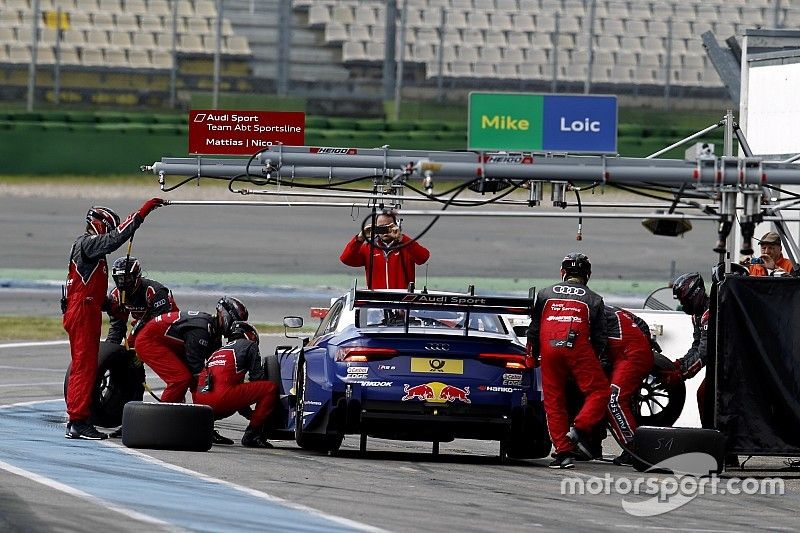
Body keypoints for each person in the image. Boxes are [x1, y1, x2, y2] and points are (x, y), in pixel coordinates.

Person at [63, 199, 164, 440]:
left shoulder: (91, 255)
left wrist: (111, 306)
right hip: (83, 311)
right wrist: (141, 214)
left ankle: (78, 419)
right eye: (108, 227)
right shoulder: (86, 244)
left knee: (85, 365)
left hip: (86, 309)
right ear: (99, 225)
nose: (109, 232)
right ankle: (78, 421)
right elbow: (114, 239)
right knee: (85, 367)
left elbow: (89, 290)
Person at [527, 252, 610, 469]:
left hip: (548, 350)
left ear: (563, 272)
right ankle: (578, 430)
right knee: (600, 391)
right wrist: (590, 362)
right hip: (577, 348)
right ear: (587, 275)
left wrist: (531, 355)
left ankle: (563, 454)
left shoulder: (544, 294)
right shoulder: (594, 299)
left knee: (554, 402)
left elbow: (533, 330)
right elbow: (600, 339)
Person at [134, 296, 248, 444]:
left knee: (204, 380)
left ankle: (203, 427)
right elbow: (196, 367)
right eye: (235, 322)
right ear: (226, 316)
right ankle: (158, 425)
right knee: (181, 379)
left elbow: (214, 370)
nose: (236, 327)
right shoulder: (202, 330)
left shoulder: (213, 333)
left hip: (166, 342)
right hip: (149, 340)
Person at [193, 321, 278, 448]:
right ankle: (253, 434)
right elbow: (258, 378)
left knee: (230, 392)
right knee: (270, 388)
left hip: (200, 400)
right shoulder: (249, 345)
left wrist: (250, 414)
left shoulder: (217, 351)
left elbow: (239, 399)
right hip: (221, 397)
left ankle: (206, 429)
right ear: (250, 335)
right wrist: (260, 417)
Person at [603, 305, 655, 466]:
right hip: (624, 356)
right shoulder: (605, 307)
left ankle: (634, 449)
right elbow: (641, 323)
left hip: (631, 356)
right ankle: (590, 445)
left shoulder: (592, 311)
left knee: (614, 400)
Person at [660, 273, 710, 424]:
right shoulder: (697, 316)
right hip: (721, 365)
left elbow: (704, 352)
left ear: (694, 295)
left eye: (684, 300)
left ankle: (712, 436)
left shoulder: (711, 313)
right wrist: (680, 364)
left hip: (734, 365)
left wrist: (681, 374)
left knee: (705, 395)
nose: (683, 305)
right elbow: (696, 345)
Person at [339, 211, 430, 289]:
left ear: (396, 226)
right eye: (381, 227)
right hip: (377, 300)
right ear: (375, 228)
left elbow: (423, 257)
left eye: (388, 226)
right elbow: (346, 259)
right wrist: (360, 238)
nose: (385, 231)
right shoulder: (369, 248)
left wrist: (401, 238)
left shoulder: (406, 246)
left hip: (402, 301)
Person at [105, 256, 179, 347]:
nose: (123, 283)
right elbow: (117, 328)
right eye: (119, 279)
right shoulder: (116, 295)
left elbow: (160, 326)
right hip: (142, 323)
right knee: (129, 348)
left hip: (169, 325)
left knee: (143, 345)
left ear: (137, 275)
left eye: (127, 278)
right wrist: (109, 348)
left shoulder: (155, 291)